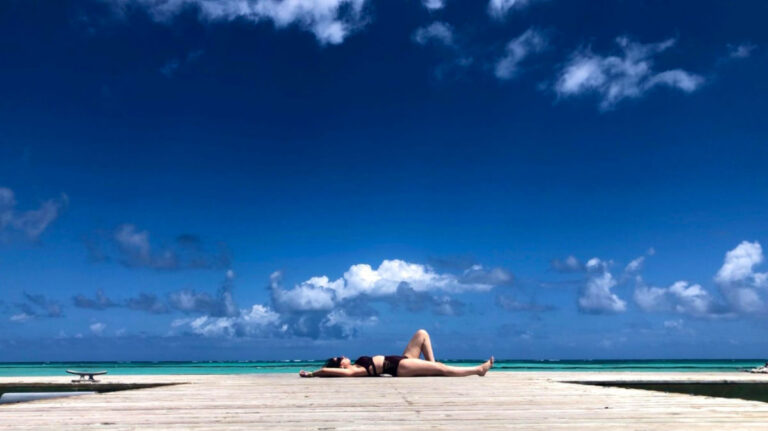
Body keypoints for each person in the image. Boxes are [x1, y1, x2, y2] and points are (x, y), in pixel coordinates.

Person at [299, 329, 493, 378]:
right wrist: (311, 374)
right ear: (340, 366)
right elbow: (326, 371)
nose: (342, 356)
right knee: (441, 368)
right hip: (398, 367)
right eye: (339, 359)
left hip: (401, 359)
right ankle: (478, 370)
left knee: (422, 333)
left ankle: (432, 368)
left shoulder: (356, 364)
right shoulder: (353, 371)